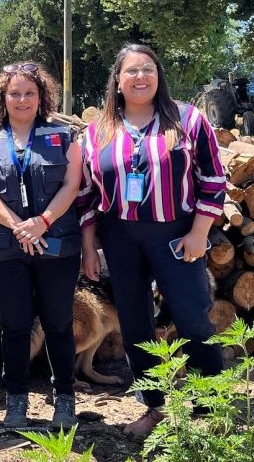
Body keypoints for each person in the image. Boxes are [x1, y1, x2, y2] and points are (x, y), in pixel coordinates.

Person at [78, 43, 226, 437]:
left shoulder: (188, 120)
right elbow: (87, 195)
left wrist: (198, 233)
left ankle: (208, 411)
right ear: (118, 80)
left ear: (158, 76)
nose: (140, 77)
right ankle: (154, 407)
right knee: (135, 325)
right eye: (131, 71)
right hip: (119, 237)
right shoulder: (98, 132)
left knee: (194, 318)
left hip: (176, 235)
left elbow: (213, 179)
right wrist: (90, 246)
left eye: (148, 69)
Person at [0, 62, 83, 430]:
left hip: (57, 247)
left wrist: (42, 222)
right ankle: (16, 400)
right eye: (14, 93)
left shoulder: (63, 136)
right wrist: (19, 226)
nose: (22, 99)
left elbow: (71, 185)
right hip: (7, 247)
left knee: (59, 325)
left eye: (29, 93)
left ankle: (64, 400)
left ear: (41, 96)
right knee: (16, 327)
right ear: (3, 97)